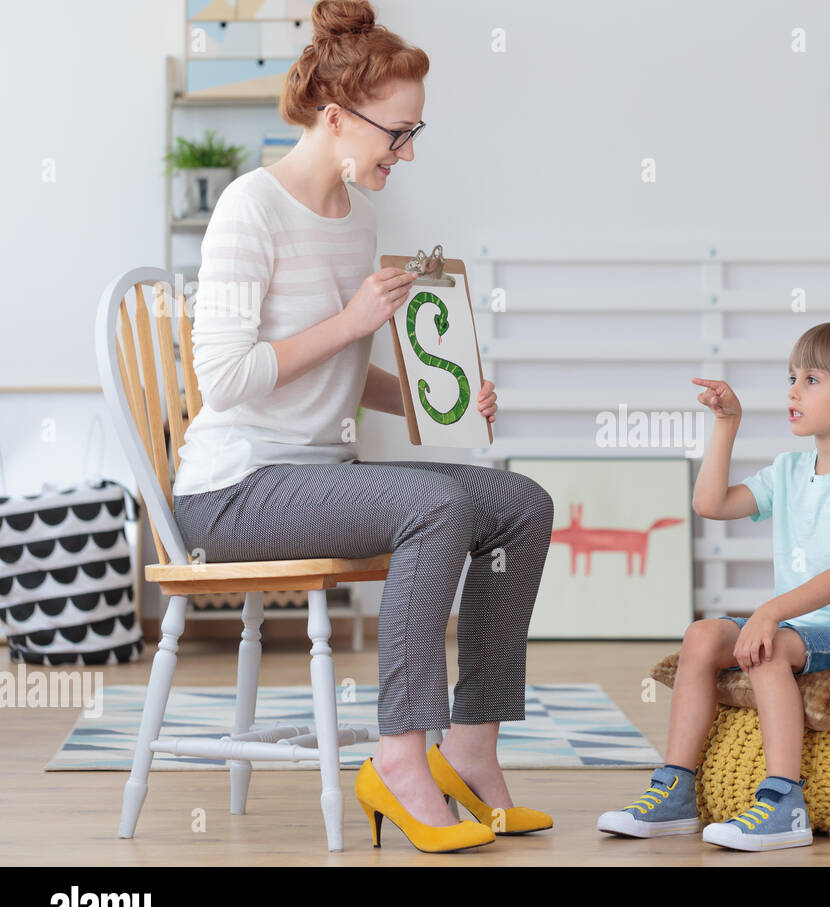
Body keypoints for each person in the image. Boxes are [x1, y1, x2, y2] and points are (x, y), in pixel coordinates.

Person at [171, 0, 553, 854]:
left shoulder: (362, 218)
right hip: (233, 491)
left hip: (320, 474)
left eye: (418, 133)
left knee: (521, 503)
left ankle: (472, 750)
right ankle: (398, 758)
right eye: (398, 134)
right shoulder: (249, 211)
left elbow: (340, 373)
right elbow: (224, 379)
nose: (407, 153)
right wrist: (349, 322)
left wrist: (435, 398)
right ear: (337, 118)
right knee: (436, 510)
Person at [596, 321, 830, 851]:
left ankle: (784, 801)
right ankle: (676, 790)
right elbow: (711, 504)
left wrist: (768, 614)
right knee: (702, 636)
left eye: (812, 380)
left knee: (765, 649)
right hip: (800, 623)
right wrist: (727, 423)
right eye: (792, 377)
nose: (793, 390)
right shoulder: (789, 469)